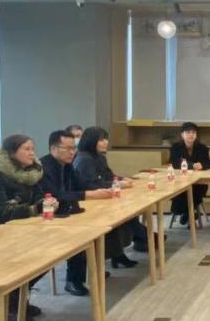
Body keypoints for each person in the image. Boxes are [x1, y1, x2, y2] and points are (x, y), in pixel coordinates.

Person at [39, 130, 129, 297]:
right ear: (53, 148)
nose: (72, 152)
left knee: (93, 227)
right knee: (79, 235)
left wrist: (99, 190)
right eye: (67, 148)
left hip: (67, 211)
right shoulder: (43, 167)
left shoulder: (67, 165)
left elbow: (81, 185)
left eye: (73, 148)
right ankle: (74, 280)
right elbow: (55, 194)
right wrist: (88, 194)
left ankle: (87, 272)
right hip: (45, 217)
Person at [0, 134, 50, 321]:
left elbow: (38, 198)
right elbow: (3, 213)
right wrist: (34, 209)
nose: (32, 153)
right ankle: (11, 303)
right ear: (11, 153)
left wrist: (47, 203)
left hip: (22, 229)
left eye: (33, 149)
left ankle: (19, 296)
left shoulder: (31, 174)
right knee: (27, 257)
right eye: (26, 149)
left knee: (49, 256)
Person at [75, 126, 149, 259]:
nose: (105, 142)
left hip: (106, 197)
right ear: (91, 141)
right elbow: (91, 184)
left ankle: (129, 246)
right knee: (123, 216)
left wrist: (122, 179)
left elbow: (109, 175)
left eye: (106, 139)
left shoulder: (99, 156)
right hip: (91, 202)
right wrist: (118, 184)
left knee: (129, 212)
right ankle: (144, 238)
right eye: (101, 140)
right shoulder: (84, 159)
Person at [169, 122, 210, 226]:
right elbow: (175, 163)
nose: (191, 135)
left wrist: (202, 165)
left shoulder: (202, 148)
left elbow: (209, 162)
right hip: (180, 182)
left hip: (198, 183)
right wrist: (191, 165)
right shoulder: (175, 147)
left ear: (196, 135)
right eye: (188, 132)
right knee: (182, 190)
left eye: (193, 132)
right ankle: (190, 214)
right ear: (182, 134)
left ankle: (186, 214)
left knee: (194, 190)